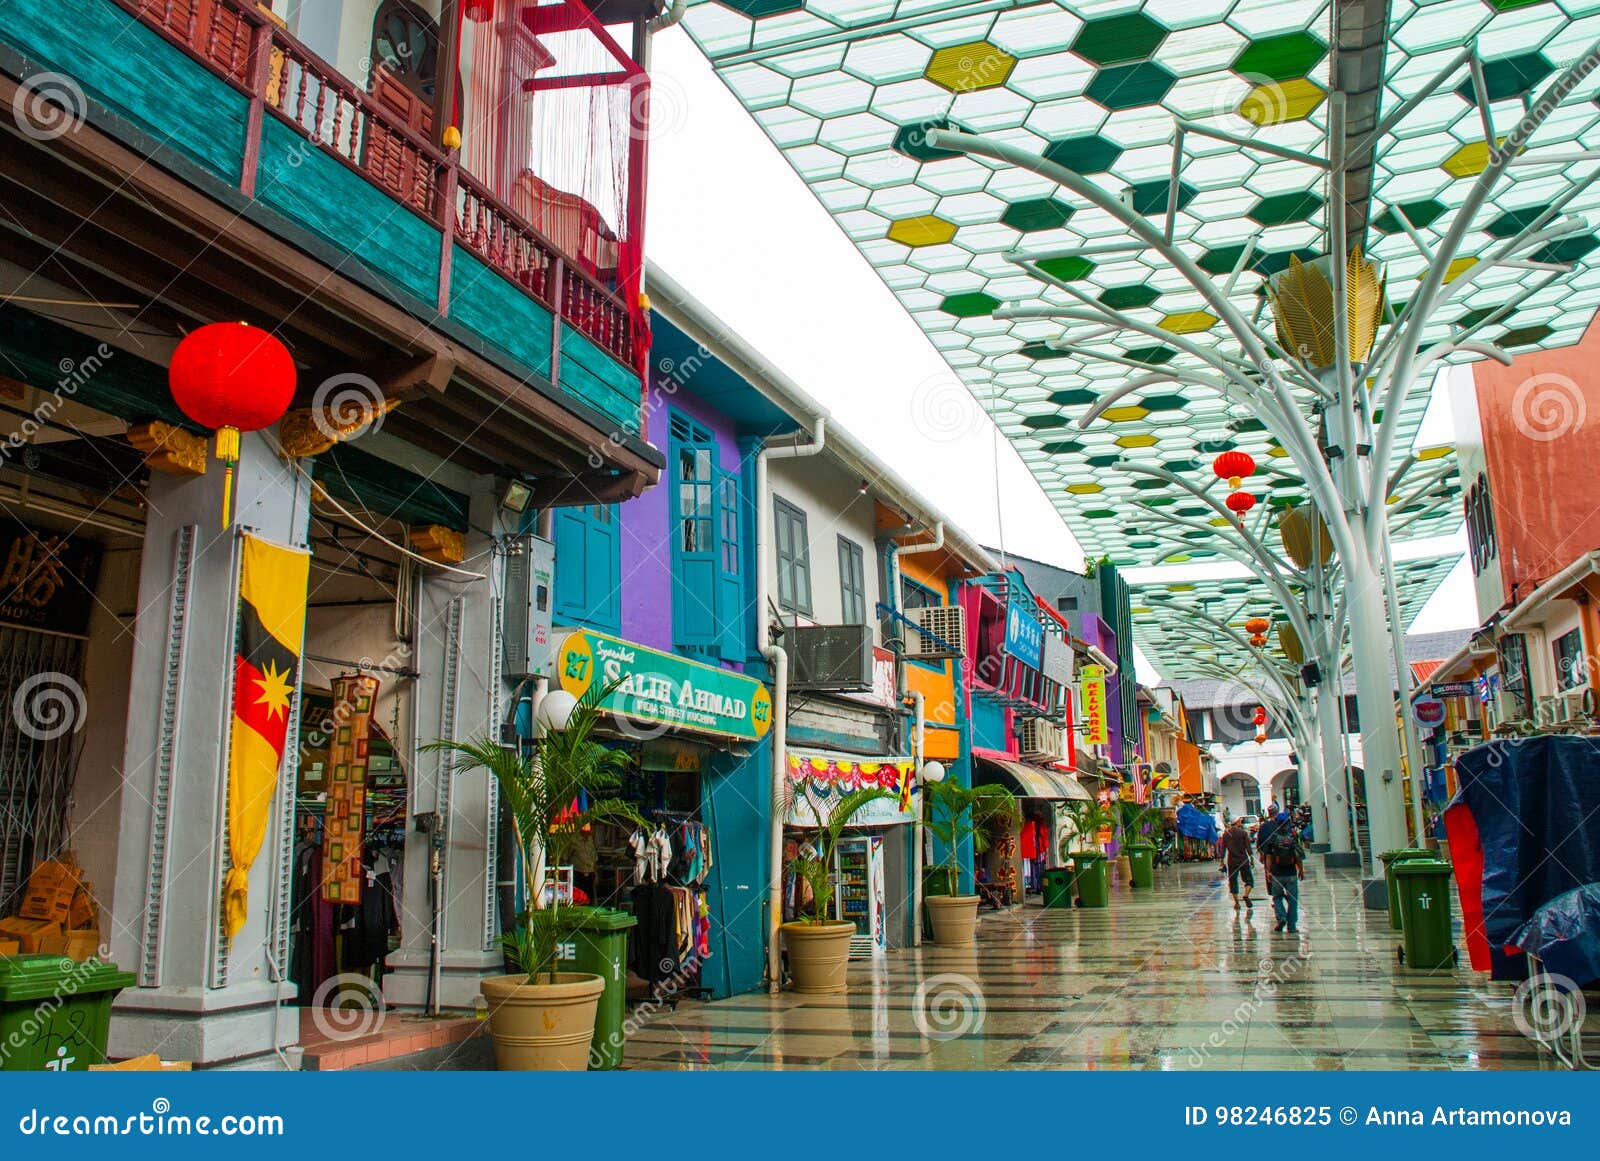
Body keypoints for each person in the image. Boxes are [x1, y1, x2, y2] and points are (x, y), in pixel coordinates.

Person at [1263, 821, 1304, 933]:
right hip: (1291, 874)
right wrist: (1301, 870)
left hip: (1277, 874)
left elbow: (1268, 856)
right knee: (1293, 900)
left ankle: (1281, 918)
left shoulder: (1273, 838)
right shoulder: (1293, 837)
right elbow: (1298, 855)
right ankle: (1291, 926)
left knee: (1277, 897)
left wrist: (1268, 871)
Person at [1219, 817, 1255, 909]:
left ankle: (1237, 903)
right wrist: (1251, 858)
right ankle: (1246, 895)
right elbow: (1248, 847)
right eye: (1239, 821)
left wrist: (1222, 861)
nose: (1240, 822)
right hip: (1243, 860)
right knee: (1249, 880)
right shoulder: (1243, 833)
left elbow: (1223, 849)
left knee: (1233, 881)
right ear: (1237, 822)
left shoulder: (1226, 834)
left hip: (1232, 861)